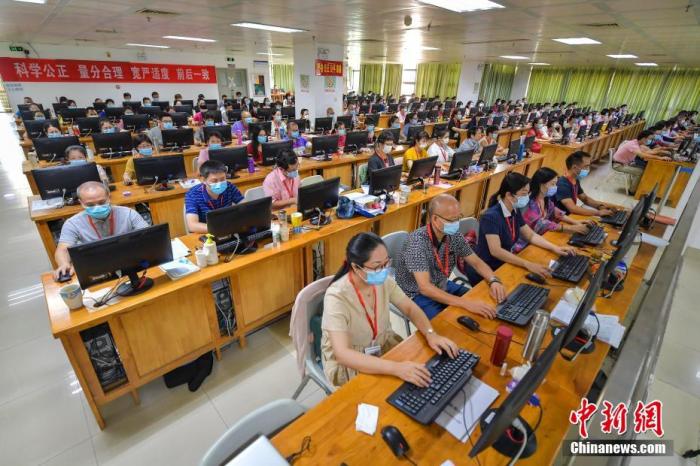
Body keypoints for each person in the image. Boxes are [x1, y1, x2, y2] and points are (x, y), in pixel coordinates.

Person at [322, 232, 458, 387]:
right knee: (387, 389)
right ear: (356, 267)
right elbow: (343, 354)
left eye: (386, 263)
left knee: (423, 373)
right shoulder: (336, 297)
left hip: (382, 345)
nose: (384, 270)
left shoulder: (383, 281)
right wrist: (396, 368)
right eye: (377, 266)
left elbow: (410, 308)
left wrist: (431, 334)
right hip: (352, 361)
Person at [394, 194, 507, 319]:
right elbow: (425, 288)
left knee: (481, 303)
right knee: (446, 322)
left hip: (441, 284)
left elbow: (476, 262)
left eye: (458, 218)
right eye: (452, 220)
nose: (456, 223)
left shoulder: (454, 235)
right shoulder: (416, 242)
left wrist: (493, 280)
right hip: (416, 293)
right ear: (435, 219)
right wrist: (465, 303)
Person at [466, 173, 576, 284]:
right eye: (524, 194)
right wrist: (527, 264)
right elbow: (496, 251)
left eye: (528, 193)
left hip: (504, 263)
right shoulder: (490, 217)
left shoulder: (514, 210)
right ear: (509, 195)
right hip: (486, 271)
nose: (527, 197)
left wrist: (555, 248)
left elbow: (530, 235)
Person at [52, 181, 148, 280]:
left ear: (109, 198)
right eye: (90, 205)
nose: (97, 207)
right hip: (97, 269)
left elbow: (149, 236)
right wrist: (64, 264)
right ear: (81, 203)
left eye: (102, 202)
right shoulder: (72, 223)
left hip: (130, 262)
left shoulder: (129, 214)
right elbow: (63, 249)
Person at [522, 168, 593, 235]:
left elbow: (556, 212)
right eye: (553, 184)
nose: (555, 187)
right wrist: (570, 228)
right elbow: (541, 224)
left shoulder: (545, 198)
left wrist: (575, 222)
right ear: (541, 185)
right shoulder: (529, 203)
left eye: (555, 184)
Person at [184, 160, 243, 233]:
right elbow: (192, 225)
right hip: (206, 233)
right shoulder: (192, 194)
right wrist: (220, 229)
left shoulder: (229, 187)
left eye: (222, 179)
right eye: (214, 181)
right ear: (203, 180)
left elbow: (245, 207)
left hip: (228, 230)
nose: (219, 183)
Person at [555, 151, 617, 216]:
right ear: (574, 168)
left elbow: (585, 198)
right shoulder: (562, 184)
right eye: (586, 166)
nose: (588, 169)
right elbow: (572, 208)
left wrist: (600, 206)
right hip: (560, 218)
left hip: (567, 216)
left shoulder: (574, 179)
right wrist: (598, 213)